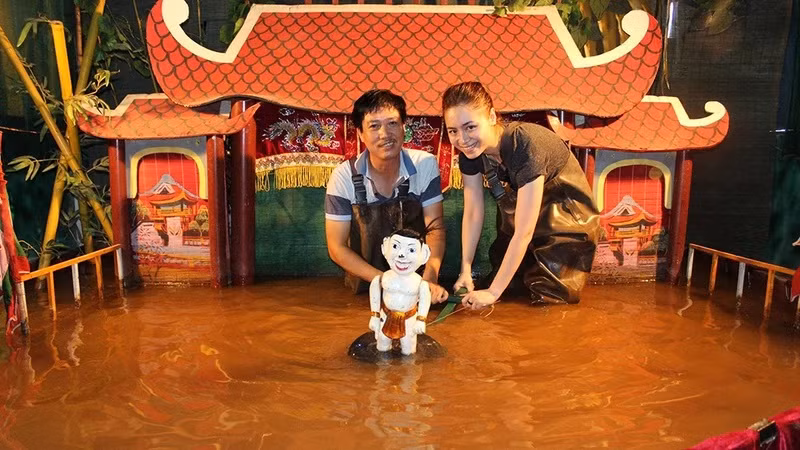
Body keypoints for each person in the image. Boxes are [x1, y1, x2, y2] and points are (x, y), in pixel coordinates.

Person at [441, 81, 599, 309]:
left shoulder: (524, 143)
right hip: (524, 226)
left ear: (492, 117)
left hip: (567, 226)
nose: (462, 139)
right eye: (453, 131)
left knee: (549, 303)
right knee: (508, 292)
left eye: (470, 127)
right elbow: (474, 212)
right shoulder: (470, 154)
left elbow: (524, 232)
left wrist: (494, 292)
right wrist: (465, 269)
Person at [325, 90, 448, 302]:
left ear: (403, 127)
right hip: (367, 287)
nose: (385, 133)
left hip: (418, 284)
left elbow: (435, 229)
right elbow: (336, 248)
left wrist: (429, 278)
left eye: (392, 123)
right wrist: (386, 283)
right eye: (374, 126)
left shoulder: (425, 165)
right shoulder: (344, 176)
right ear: (361, 134)